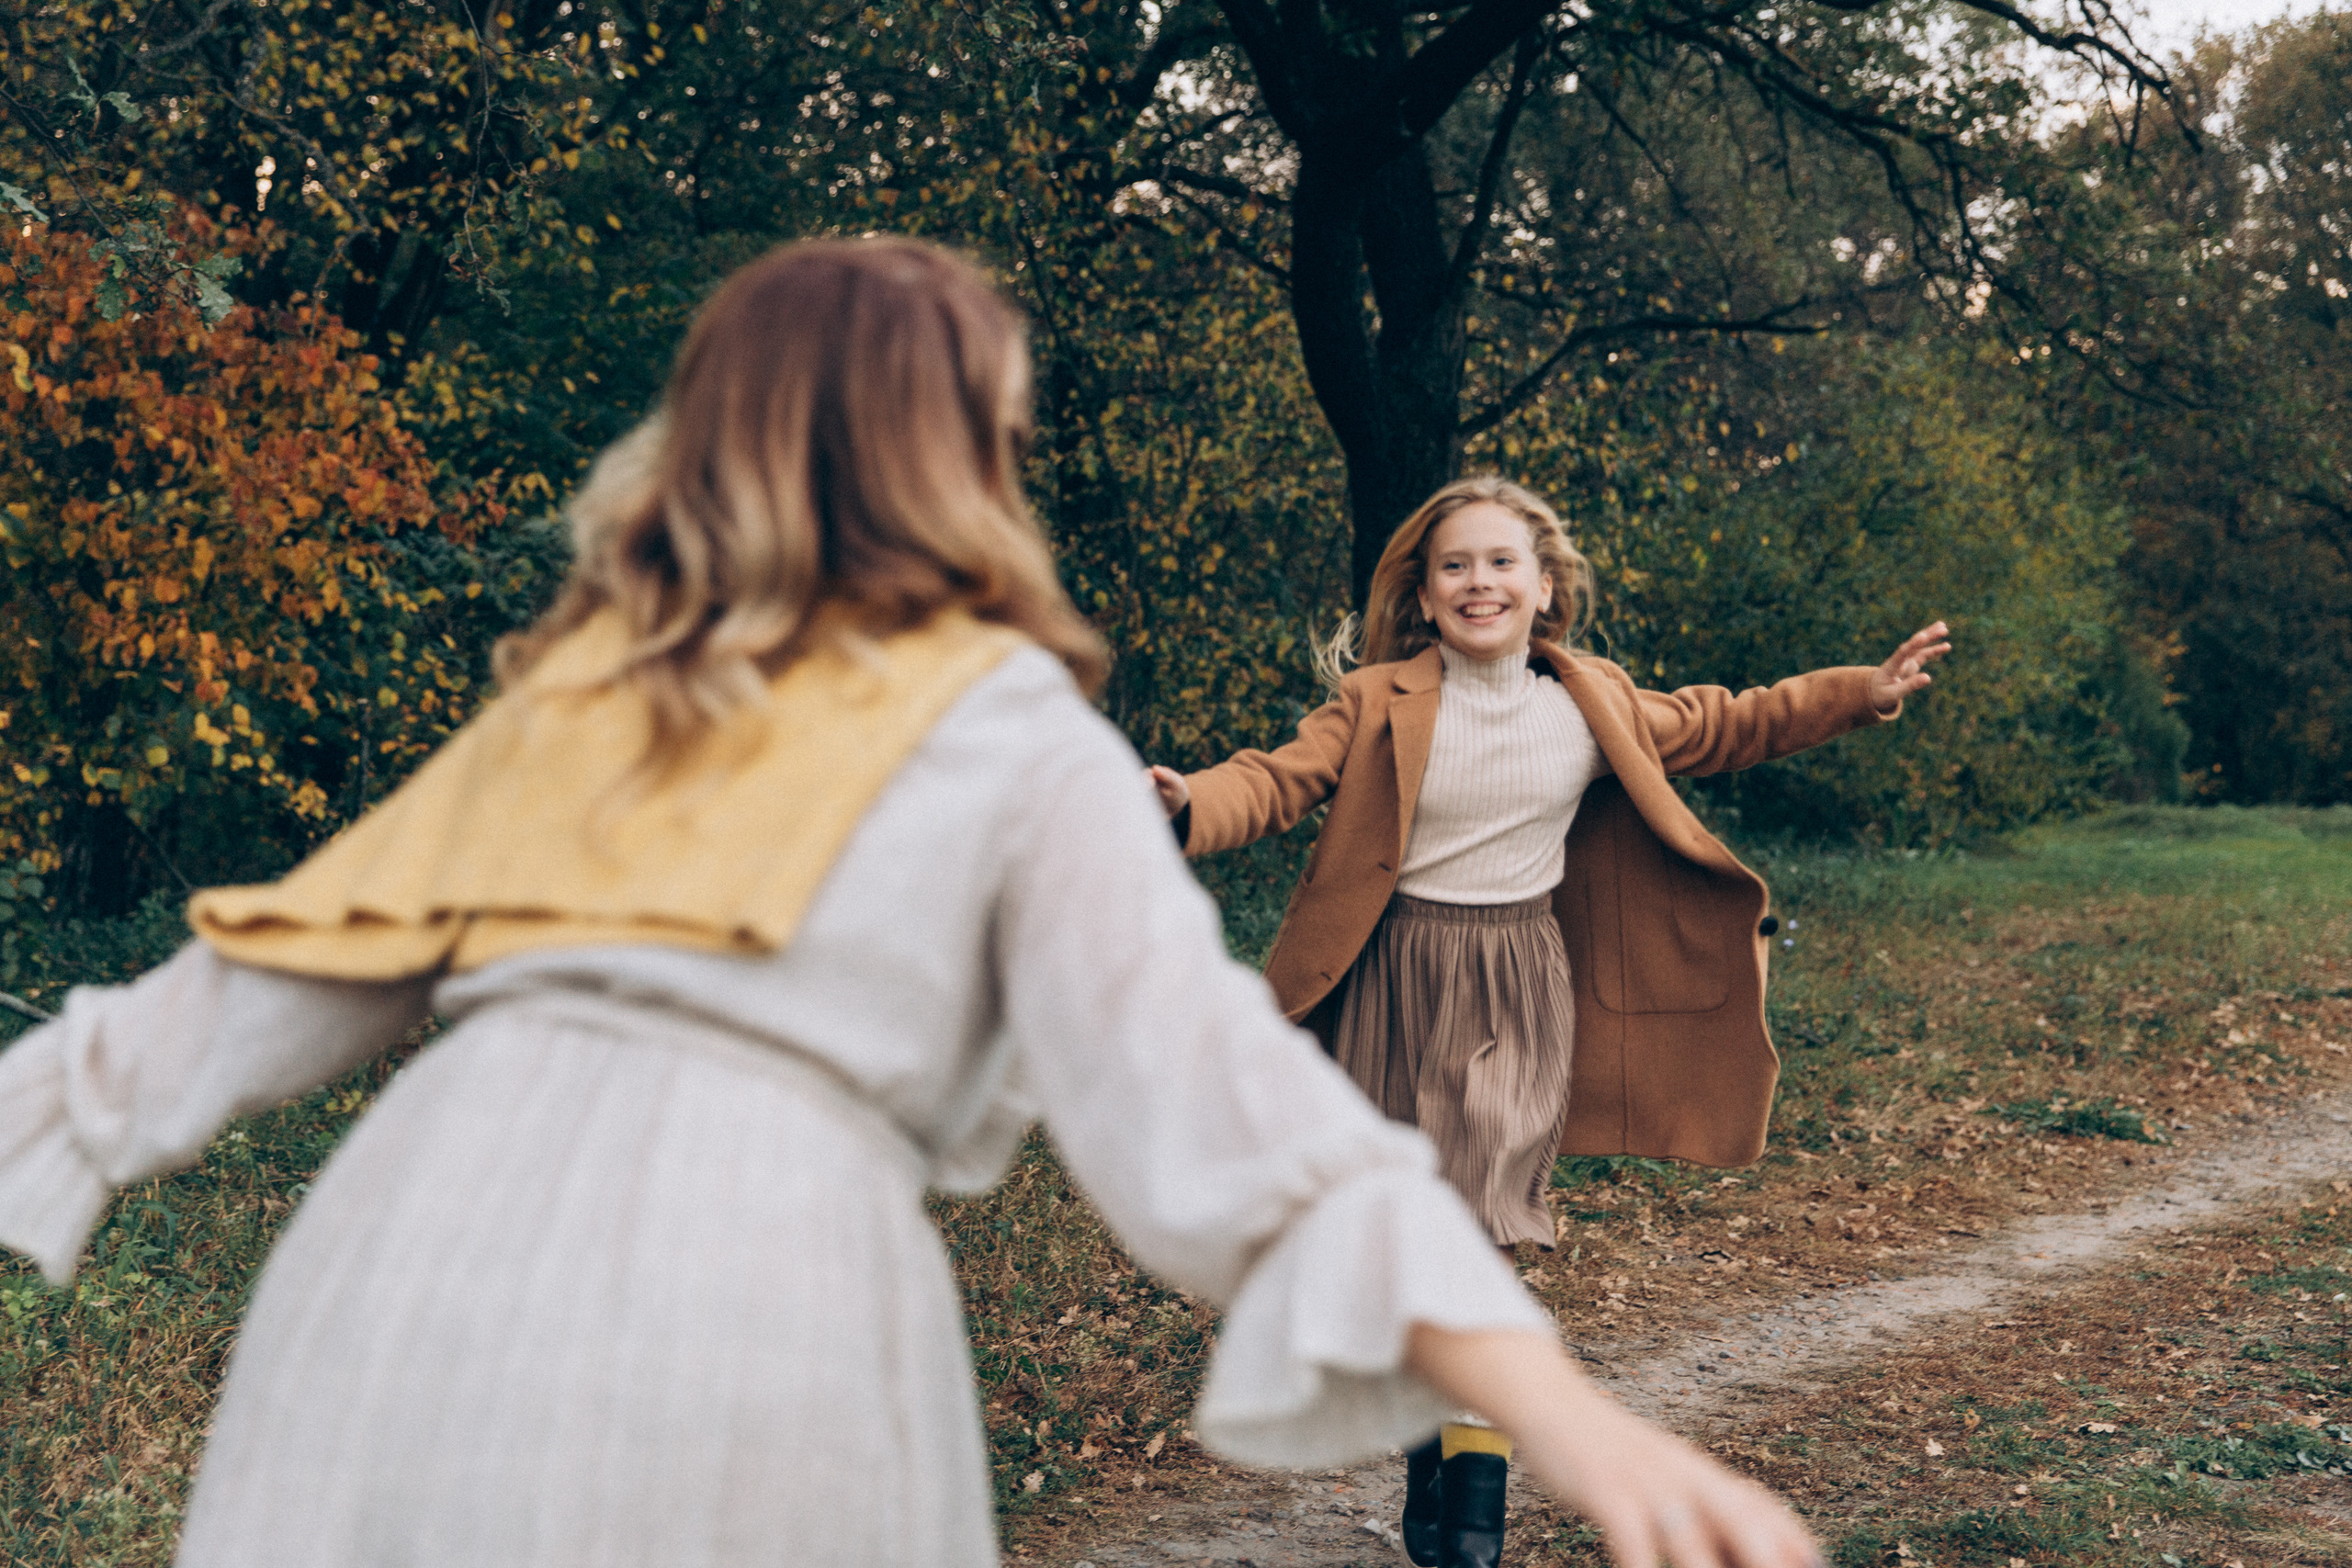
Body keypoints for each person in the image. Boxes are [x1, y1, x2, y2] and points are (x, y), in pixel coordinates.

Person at [0, 240, 1823, 1568]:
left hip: (412, 1255)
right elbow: (1221, 1107)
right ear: (956, 451)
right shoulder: (1001, 727)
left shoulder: (586, 696)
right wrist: (1561, 1410)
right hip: (760, 1279)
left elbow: (223, 1008)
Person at [1148, 477, 1949, 1566]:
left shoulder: (1589, 700)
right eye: (1454, 566)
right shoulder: (1377, 700)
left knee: (1485, 1224)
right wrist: (1186, 804)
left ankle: (1473, 1505)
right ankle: (1434, 1439)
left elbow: (1730, 722)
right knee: (1404, 1224)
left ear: (1543, 588)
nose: (1478, 582)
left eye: (1500, 563)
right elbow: (1274, 782)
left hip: (1517, 981)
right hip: (1387, 978)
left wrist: (1864, 691)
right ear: (1423, 596)